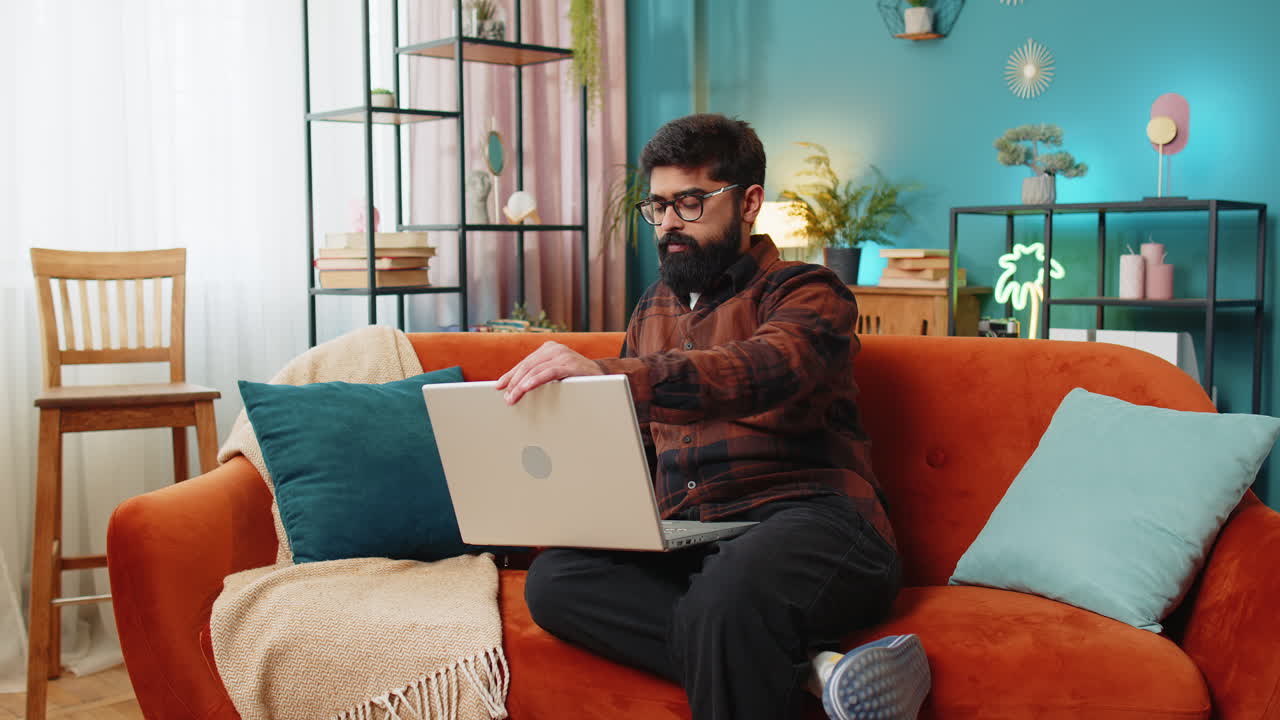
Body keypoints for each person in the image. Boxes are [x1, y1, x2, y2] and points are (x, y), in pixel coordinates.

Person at [496, 113, 931, 720]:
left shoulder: (809, 290)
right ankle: (818, 674)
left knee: (727, 598)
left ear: (750, 202)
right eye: (658, 206)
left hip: (815, 523)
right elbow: (633, 445)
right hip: (694, 538)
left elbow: (764, 368)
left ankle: (767, 648)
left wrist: (616, 374)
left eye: (690, 203)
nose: (669, 223)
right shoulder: (651, 307)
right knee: (557, 582)